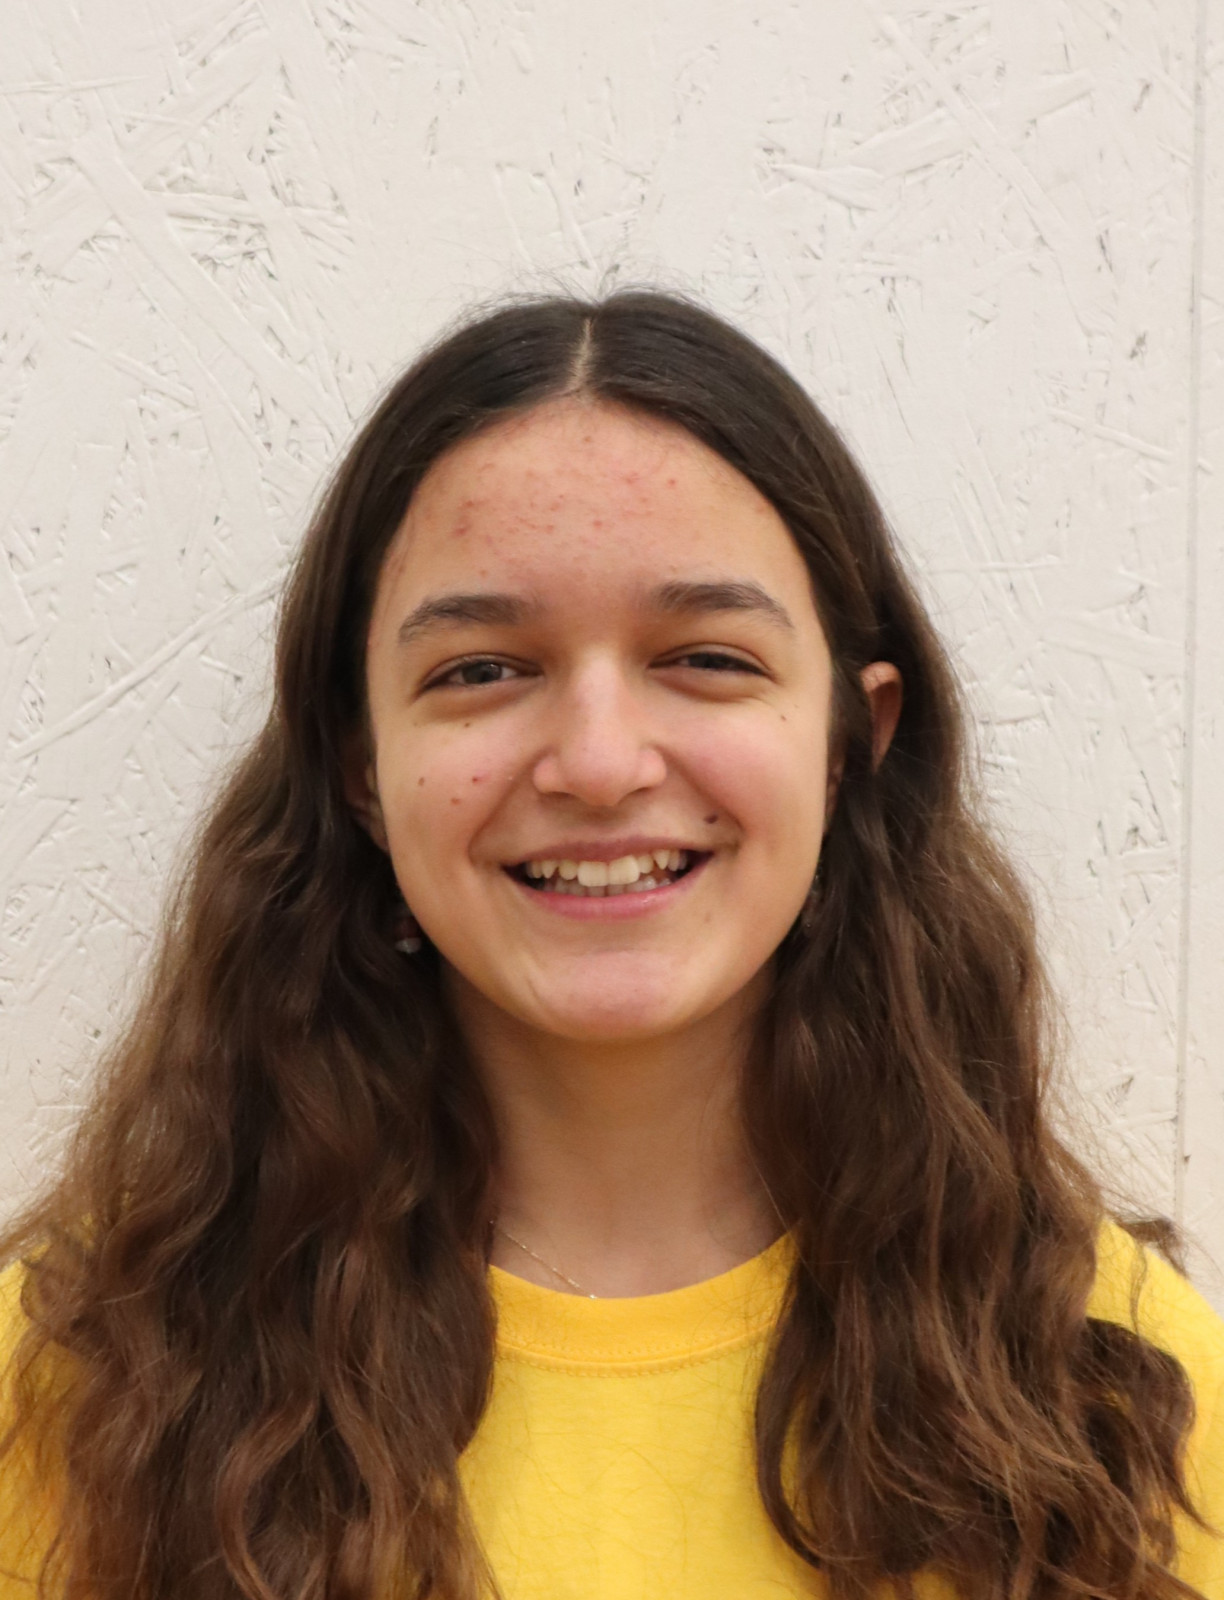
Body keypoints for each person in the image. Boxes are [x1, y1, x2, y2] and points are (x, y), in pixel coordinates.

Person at [0, 290, 1221, 1600]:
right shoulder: (86, 1389)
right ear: (362, 767)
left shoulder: (1114, 1398)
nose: (596, 762)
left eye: (706, 657)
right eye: (481, 669)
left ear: (849, 746)